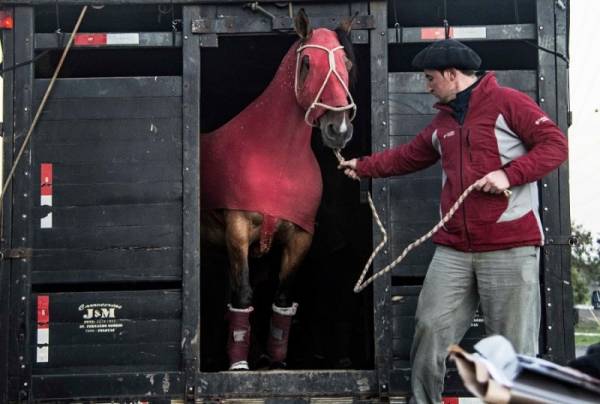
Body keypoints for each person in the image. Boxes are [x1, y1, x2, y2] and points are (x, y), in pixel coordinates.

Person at [338, 39, 568, 403]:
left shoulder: (507, 102)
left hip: (510, 245)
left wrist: (509, 175)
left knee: (512, 349)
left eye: (430, 78)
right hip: (455, 250)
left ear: (451, 75)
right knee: (429, 327)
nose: (426, 85)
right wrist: (363, 166)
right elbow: (408, 156)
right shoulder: (442, 121)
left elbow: (555, 145)